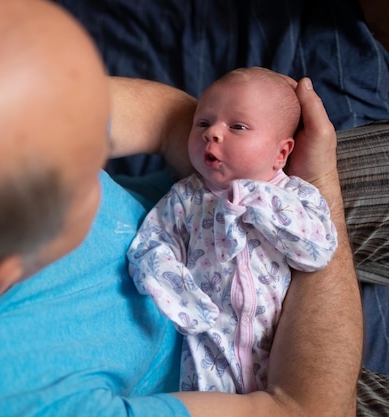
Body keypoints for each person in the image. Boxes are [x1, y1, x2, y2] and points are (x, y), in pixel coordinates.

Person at [0, 0, 362, 416]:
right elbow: (302, 407)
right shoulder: (27, 402)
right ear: (5, 271)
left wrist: (245, 188)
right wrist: (314, 186)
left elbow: (164, 120)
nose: (104, 136)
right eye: (90, 161)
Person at [127, 67, 337, 394]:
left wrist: (256, 197)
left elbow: (318, 250)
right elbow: (150, 247)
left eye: (237, 126)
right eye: (203, 123)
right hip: (207, 345)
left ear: (281, 153)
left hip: (275, 352)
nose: (212, 134)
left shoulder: (294, 195)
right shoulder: (186, 198)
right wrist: (187, 305)